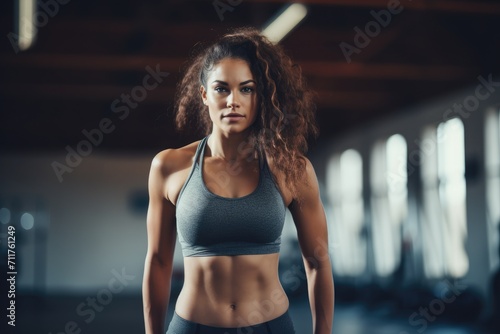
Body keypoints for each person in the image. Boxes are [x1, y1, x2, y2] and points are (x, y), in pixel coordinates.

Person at [142, 27, 334, 334]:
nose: (233, 100)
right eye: (222, 89)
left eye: (247, 89)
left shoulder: (291, 169)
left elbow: (318, 263)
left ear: (261, 96)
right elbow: (158, 263)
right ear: (204, 94)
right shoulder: (168, 166)